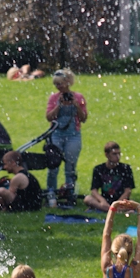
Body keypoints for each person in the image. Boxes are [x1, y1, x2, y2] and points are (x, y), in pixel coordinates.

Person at [45, 69, 87, 206]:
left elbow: (84, 118)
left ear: (68, 82)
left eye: (61, 84)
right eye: (56, 85)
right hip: (56, 135)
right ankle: (51, 192)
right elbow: (49, 117)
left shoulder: (79, 97)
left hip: (73, 135)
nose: (59, 87)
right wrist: (59, 105)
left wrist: (76, 105)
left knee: (70, 166)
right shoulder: (54, 98)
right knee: (53, 166)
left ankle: (70, 192)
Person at [0, 151, 42, 223]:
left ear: (13, 163)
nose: (4, 167)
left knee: (1, 191)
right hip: (35, 205)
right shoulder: (26, 174)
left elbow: (10, 197)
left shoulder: (18, 178)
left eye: (5, 164)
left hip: (27, 207)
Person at [84, 141, 135, 212]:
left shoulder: (126, 168)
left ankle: (109, 210)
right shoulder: (98, 169)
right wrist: (102, 201)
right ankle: (111, 210)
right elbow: (94, 190)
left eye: (119, 153)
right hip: (105, 201)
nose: (118, 157)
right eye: (114, 154)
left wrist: (118, 203)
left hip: (121, 201)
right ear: (106, 155)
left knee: (133, 204)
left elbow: (128, 191)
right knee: (88, 199)